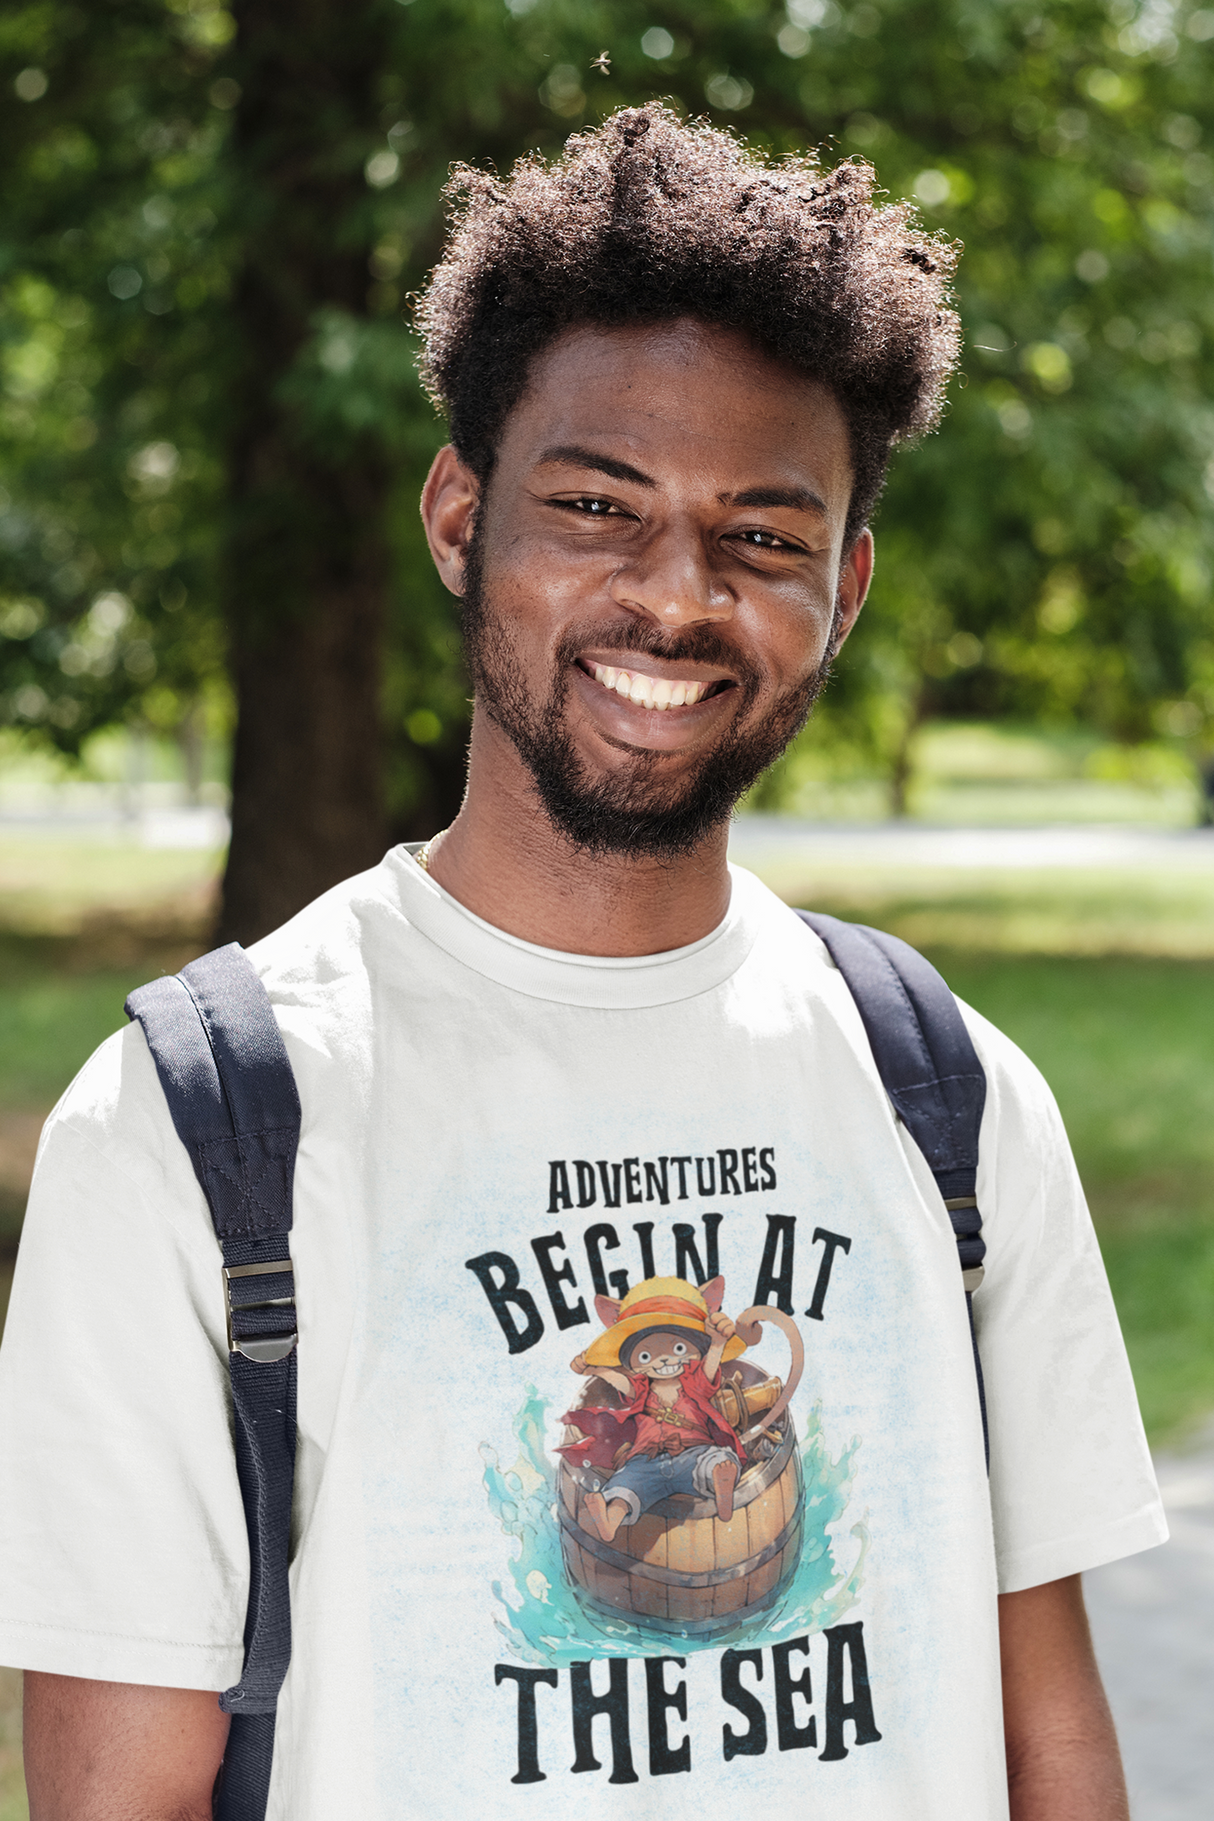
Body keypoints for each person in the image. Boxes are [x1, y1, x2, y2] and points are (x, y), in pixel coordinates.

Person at [0, 105, 1164, 1820]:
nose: (674, 597)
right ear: (462, 519)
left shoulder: (947, 1089)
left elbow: (1042, 1730)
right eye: (596, 506)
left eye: (762, 537)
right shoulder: (201, 1124)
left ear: (842, 592)